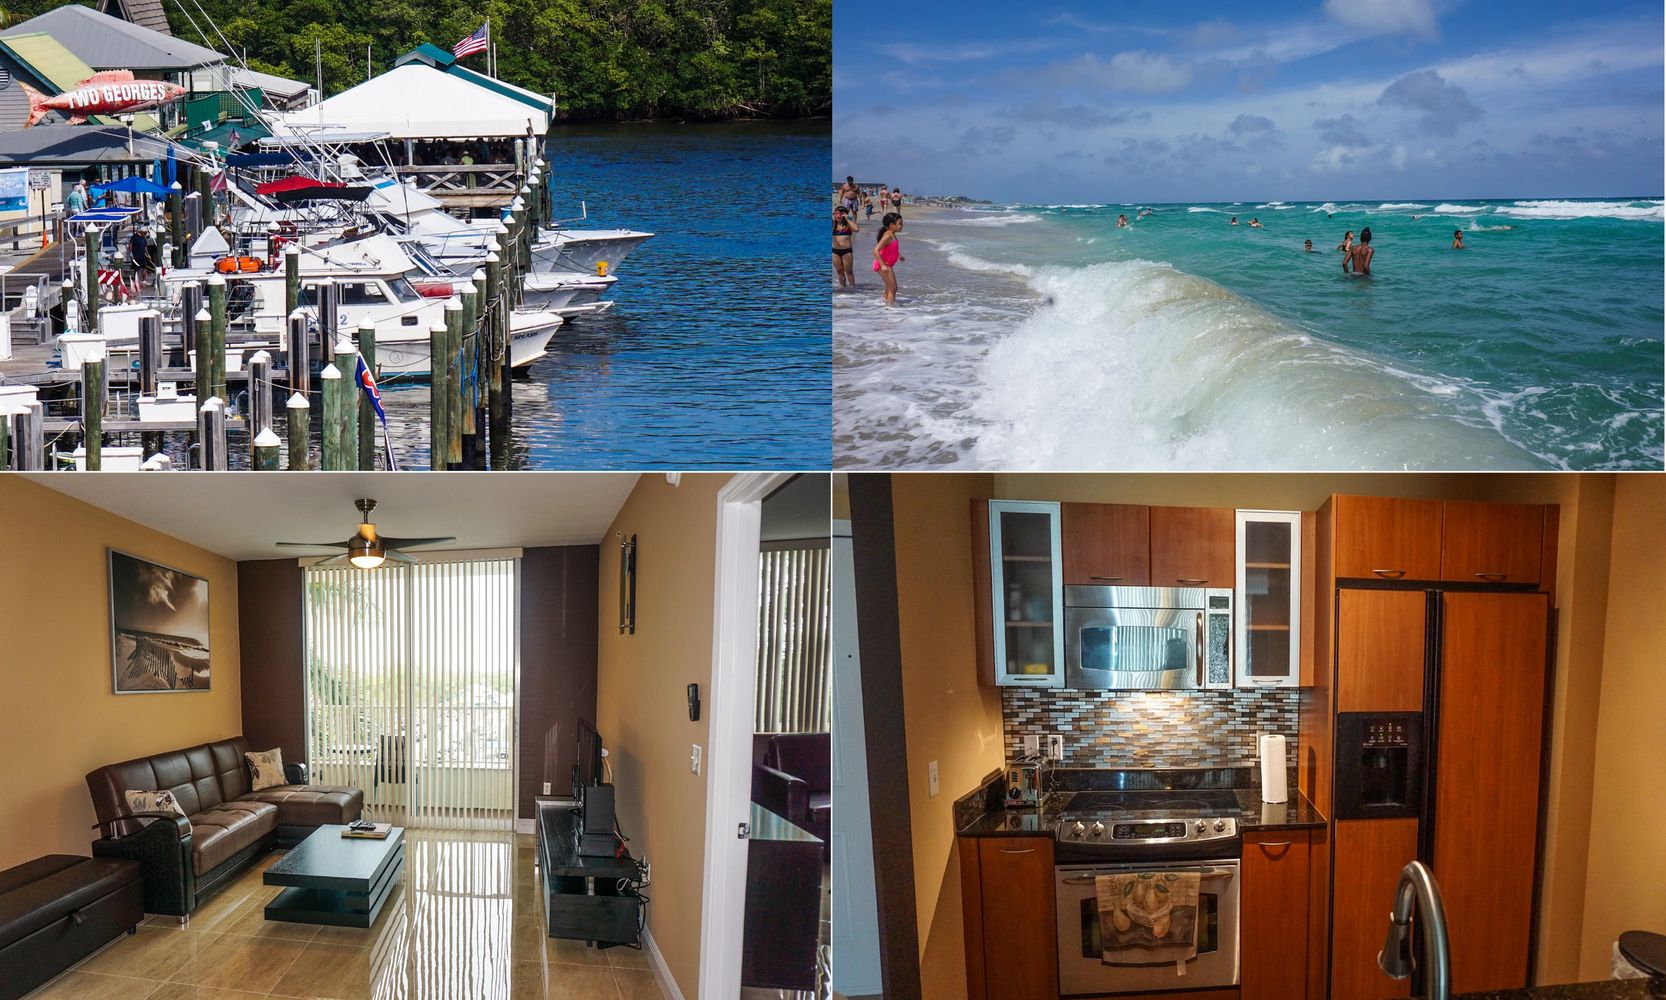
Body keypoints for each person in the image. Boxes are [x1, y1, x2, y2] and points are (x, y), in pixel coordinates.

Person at [872, 211, 904, 306]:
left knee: (889, 287)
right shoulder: (887, 236)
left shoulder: (892, 235)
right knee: (893, 288)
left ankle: (885, 304)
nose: (902, 226)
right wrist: (882, 265)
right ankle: (890, 310)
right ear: (891, 225)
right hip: (883, 264)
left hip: (886, 264)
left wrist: (898, 255)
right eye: (900, 224)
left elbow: (890, 248)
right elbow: (875, 250)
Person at [832, 205, 860, 288]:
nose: (838, 216)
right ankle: (842, 288)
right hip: (835, 251)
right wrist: (833, 221)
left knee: (849, 271)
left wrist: (848, 219)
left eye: (840, 214)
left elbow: (857, 229)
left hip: (846, 251)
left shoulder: (848, 225)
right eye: (836, 214)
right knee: (839, 271)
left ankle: (852, 289)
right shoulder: (833, 224)